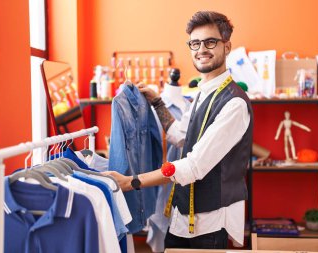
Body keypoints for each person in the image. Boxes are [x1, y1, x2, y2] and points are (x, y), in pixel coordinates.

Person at [104, 11, 253, 249]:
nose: (201, 49)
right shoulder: (202, 92)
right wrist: (157, 102)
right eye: (195, 43)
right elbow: (179, 136)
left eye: (210, 42)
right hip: (182, 217)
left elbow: (193, 166)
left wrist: (130, 182)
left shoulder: (234, 104)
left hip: (210, 224)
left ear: (227, 47)